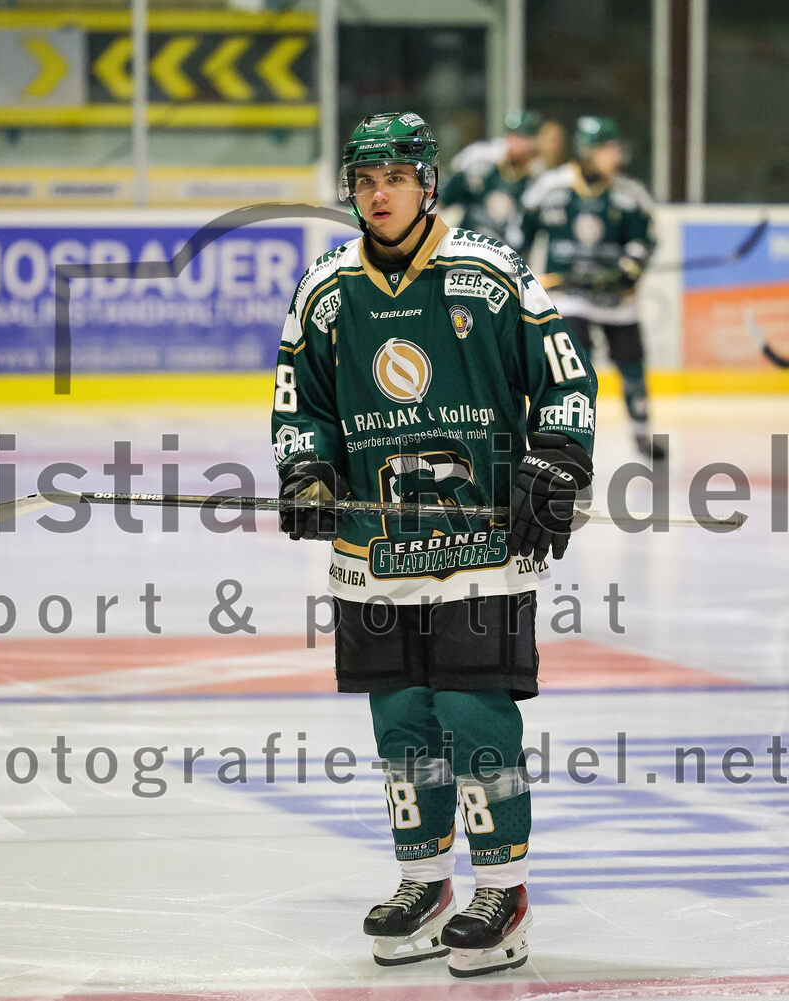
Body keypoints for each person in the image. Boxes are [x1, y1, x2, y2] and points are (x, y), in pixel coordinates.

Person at [271, 112, 596, 977]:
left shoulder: (488, 275)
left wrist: (557, 459)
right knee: (402, 721)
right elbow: (297, 401)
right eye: (366, 179)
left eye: (396, 177)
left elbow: (564, 376)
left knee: (471, 711)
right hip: (373, 543)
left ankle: (504, 889)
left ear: (427, 184)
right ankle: (425, 881)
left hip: (480, 538)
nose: (379, 194)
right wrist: (305, 467)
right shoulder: (325, 289)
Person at [515, 115, 664, 460]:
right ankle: (569, 437)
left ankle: (641, 434)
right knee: (575, 370)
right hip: (569, 299)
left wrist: (630, 267)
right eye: (606, 148)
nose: (615, 156)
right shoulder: (550, 188)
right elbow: (519, 236)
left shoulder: (629, 193)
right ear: (586, 151)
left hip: (618, 301)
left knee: (632, 368)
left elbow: (645, 240)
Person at [438, 110, 543, 243]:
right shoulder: (484, 158)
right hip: (471, 238)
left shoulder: (539, 175)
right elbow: (447, 195)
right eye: (511, 135)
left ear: (533, 140)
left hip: (510, 246)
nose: (514, 142)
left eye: (521, 136)